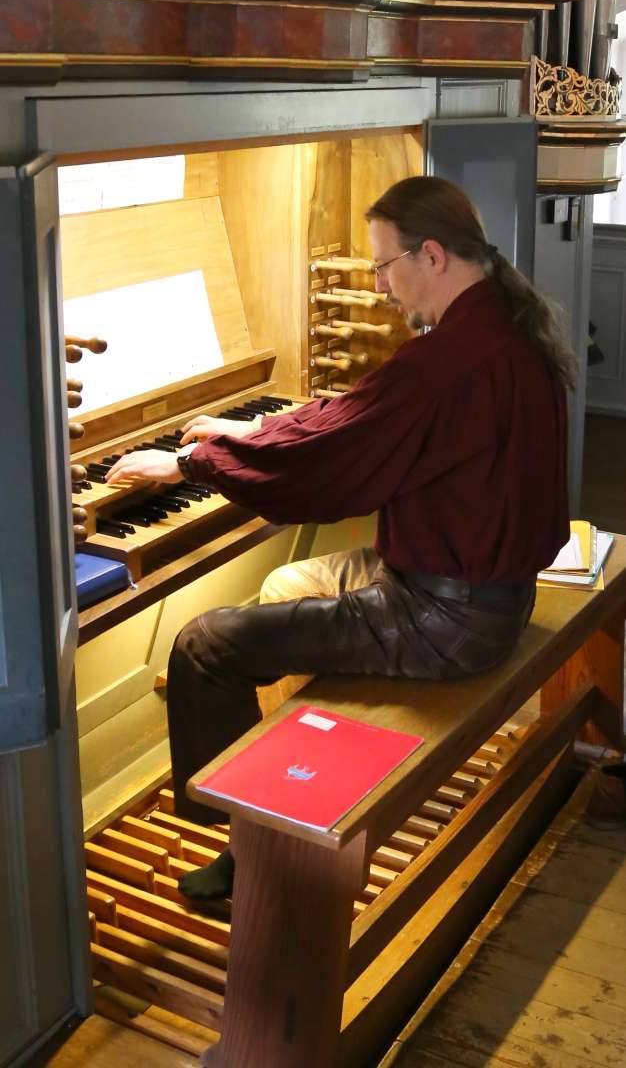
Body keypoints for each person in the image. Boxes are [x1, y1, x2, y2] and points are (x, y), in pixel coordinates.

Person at [105, 175, 576, 906]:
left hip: (445, 620)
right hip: (482, 591)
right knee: (289, 586)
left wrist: (191, 461)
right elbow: (358, 417)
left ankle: (245, 854)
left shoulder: (448, 361)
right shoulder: (507, 327)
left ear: (432, 256)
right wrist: (254, 429)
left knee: (205, 646)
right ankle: (303, 781)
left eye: (384, 267)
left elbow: (341, 454)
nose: (382, 287)